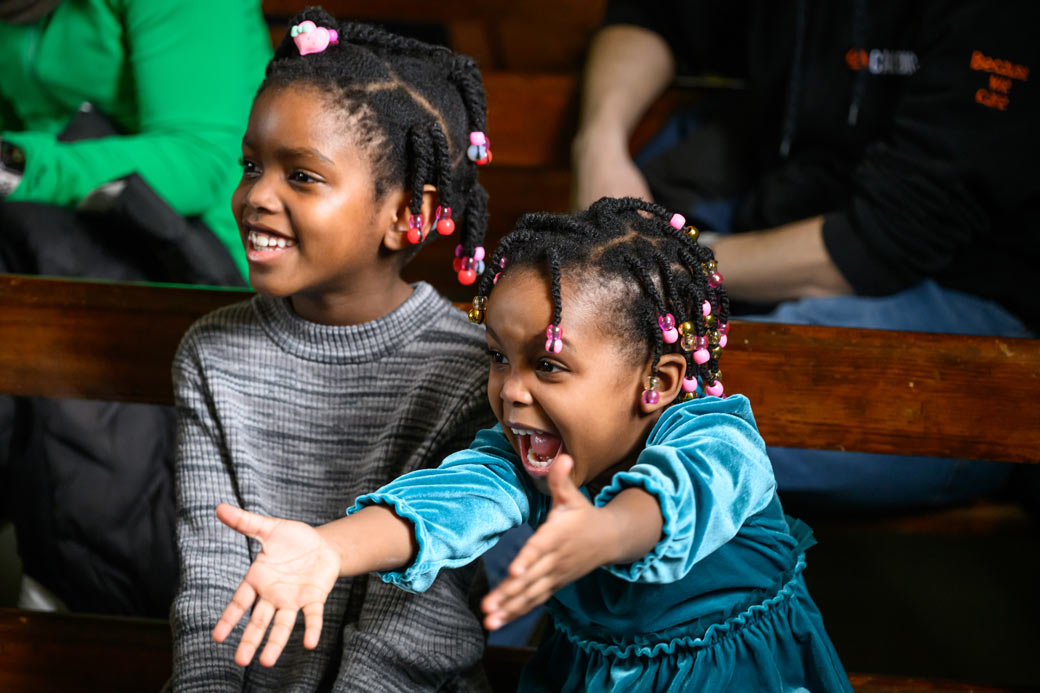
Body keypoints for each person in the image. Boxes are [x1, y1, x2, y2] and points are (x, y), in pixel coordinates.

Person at [209, 197, 852, 692]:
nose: (511, 392)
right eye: (497, 356)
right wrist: (328, 548)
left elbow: (673, 501)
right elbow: (447, 502)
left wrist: (602, 533)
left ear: (656, 382)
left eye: (547, 366)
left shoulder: (719, 439)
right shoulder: (525, 457)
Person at [570, 0, 1039, 511]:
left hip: (979, 326)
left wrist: (671, 264)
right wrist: (599, 142)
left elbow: (878, 245)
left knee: (610, 415)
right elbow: (654, 15)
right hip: (763, 236)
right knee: (573, 396)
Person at [170, 9, 501, 690]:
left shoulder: (468, 370)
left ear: (407, 213)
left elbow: (420, 624)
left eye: (303, 177)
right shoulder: (211, 354)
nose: (256, 196)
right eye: (252, 165)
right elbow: (208, 583)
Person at [0, 0, 270, 615]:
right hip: (38, 238)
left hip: (197, 252)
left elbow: (199, 162)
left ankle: (85, 593)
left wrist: (18, 167)